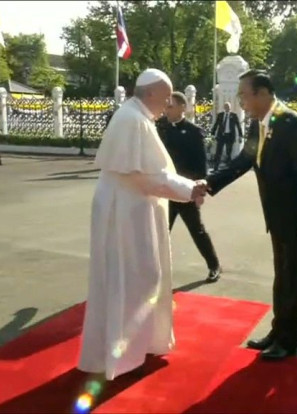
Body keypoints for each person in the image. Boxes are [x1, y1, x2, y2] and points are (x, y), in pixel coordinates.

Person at [77, 69, 209, 381]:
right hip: (125, 213)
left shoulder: (137, 117)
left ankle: (139, 346)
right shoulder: (132, 120)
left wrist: (187, 187)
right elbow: (145, 177)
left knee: (142, 277)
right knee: (134, 279)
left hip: (132, 209)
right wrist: (188, 189)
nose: (168, 105)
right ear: (150, 93)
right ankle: (123, 357)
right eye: (165, 98)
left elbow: (150, 174)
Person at [206, 69, 297, 360]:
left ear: (263, 94)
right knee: (283, 279)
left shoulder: (292, 124)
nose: (241, 101)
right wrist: (209, 183)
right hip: (277, 218)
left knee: (296, 280)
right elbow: (244, 160)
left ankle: (287, 342)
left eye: (244, 95)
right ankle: (277, 331)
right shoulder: (257, 124)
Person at [159, 91, 222, 283]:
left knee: (197, 230)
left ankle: (214, 265)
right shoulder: (160, 127)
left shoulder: (193, 131)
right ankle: (154, 270)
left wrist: (199, 191)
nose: (166, 110)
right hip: (166, 189)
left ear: (182, 108)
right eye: (166, 106)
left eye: (170, 106)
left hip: (187, 189)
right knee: (160, 231)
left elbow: (201, 164)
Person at [210, 102, 243, 169]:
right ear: (224, 107)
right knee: (218, 152)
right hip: (221, 136)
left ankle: (228, 167)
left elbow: (238, 125)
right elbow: (216, 124)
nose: (226, 108)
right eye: (225, 106)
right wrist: (212, 134)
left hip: (230, 136)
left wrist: (240, 135)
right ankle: (215, 167)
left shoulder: (234, 115)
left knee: (229, 152)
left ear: (230, 107)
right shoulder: (220, 115)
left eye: (228, 106)